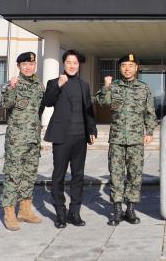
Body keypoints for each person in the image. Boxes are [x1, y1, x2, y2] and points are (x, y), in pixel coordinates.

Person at [95, 53, 157, 226]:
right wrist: (106, 86)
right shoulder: (113, 87)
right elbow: (102, 102)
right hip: (117, 139)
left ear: (136, 68)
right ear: (119, 68)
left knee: (135, 175)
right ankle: (116, 210)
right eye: (123, 66)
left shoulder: (143, 88)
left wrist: (149, 132)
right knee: (116, 174)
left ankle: (130, 209)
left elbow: (150, 112)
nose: (127, 69)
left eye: (130, 65)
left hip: (136, 139)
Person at [42, 50, 97, 228]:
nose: (72, 66)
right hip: (62, 137)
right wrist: (58, 84)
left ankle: (74, 212)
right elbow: (48, 102)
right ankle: (60, 212)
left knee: (78, 176)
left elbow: (88, 109)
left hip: (80, 137)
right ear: (63, 64)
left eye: (75, 63)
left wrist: (92, 129)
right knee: (58, 175)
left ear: (78, 65)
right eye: (69, 62)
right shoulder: (54, 82)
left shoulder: (84, 85)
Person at [0, 52, 45, 231]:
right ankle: (9, 212)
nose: (28, 67)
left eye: (31, 64)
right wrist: (11, 88)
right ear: (18, 66)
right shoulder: (13, 84)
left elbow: (39, 109)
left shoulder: (39, 86)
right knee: (13, 175)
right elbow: (4, 105)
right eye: (24, 64)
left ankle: (25, 210)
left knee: (29, 175)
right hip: (16, 140)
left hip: (33, 138)